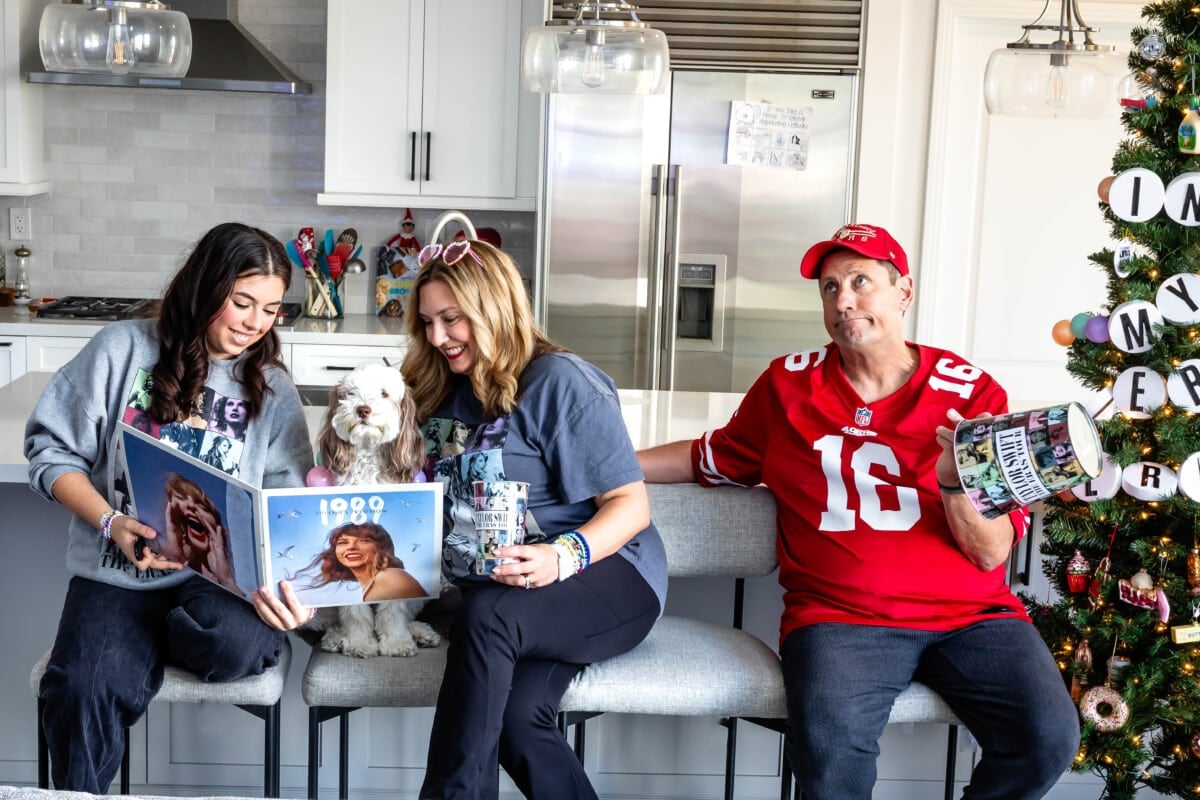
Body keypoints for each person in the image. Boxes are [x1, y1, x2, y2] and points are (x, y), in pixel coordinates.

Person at [637, 223, 1079, 800]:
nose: (843, 300)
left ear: (903, 291)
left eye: (861, 281)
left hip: (970, 618)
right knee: (830, 763)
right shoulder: (786, 385)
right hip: (841, 619)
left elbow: (990, 550)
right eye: (829, 287)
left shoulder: (971, 395)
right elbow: (710, 458)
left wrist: (952, 485)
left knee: (1046, 738)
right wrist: (603, 462)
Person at [24, 221, 317, 794]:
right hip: (117, 572)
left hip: (221, 586)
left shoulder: (273, 389)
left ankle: (137, 647)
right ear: (206, 287)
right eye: (241, 302)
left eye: (272, 310)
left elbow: (290, 502)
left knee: (233, 644)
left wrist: (292, 589)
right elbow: (50, 453)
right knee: (79, 687)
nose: (255, 323)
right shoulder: (122, 349)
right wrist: (112, 522)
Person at [402, 238, 666, 800]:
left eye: (453, 319)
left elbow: (630, 506)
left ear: (493, 309)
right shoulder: (434, 392)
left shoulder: (560, 382)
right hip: (508, 592)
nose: (438, 337)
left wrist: (557, 556)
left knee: (488, 613)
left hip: (608, 576)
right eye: (427, 322)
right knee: (519, 722)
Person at [296, 521, 428, 601]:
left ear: (380, 548)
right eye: (343, 542)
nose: (351, 547)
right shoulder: (371, 586)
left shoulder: (389, 576)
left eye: (364, 541)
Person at [159, 473, 240, 594]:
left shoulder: (232, 581)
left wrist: (227, 581)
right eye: (181, 499)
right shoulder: (166, 563)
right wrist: (175, 555)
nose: (191, 505)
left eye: (202, 506)